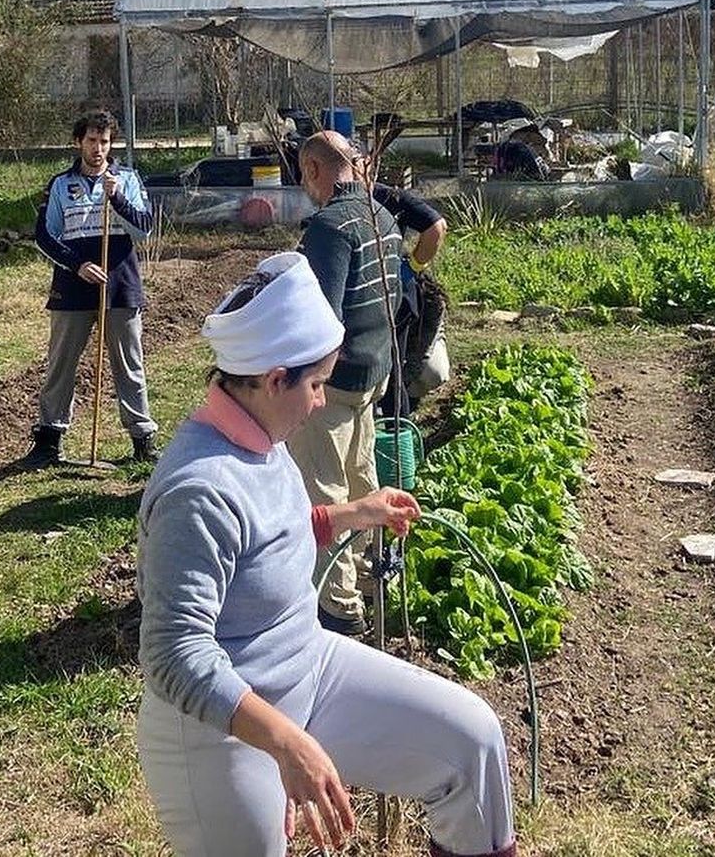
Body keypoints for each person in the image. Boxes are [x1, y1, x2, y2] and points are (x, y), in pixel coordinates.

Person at [136, 251, 517, 857]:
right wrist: (285, 743)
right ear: (272, 378)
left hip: (307, 667)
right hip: (222, 728)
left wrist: (352, 514)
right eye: (315, 384)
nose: (320, 402)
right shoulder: (198, 490)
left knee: (472, 742)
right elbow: (172, 655)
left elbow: (268, 541)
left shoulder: (259, 434)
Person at [291, 130, 402, 636]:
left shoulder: (331, 228)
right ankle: (369, 575)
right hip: (372, 372)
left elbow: (323, 321)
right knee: (362, 478)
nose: (304, 187)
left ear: (315, 170)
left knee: (326, 488)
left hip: (336, 384)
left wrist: (307, 382)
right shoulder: (381, 217)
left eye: (303, 176)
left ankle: (336, 606)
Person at [23, 108, 160, 466]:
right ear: (78, 142)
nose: (98, 148)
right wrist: (76, 264)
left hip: (121, 286)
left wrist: (117, 200)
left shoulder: (127, 179)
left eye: (105, 141)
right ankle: (50, 439)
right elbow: (45, 236)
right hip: (73, 287)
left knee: (129, 364)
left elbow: (144, 228)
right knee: (60, 363)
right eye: (92, 141)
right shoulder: (59, 185)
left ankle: (142, 438)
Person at [371, 181, 450, 416]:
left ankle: (395, 432)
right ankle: (393, 426)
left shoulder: (386, 197)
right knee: (391, 372)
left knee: (394, 372)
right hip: (388, 293)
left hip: (394, 295)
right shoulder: (381, 195)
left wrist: (413, 267)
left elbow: (436, 226)